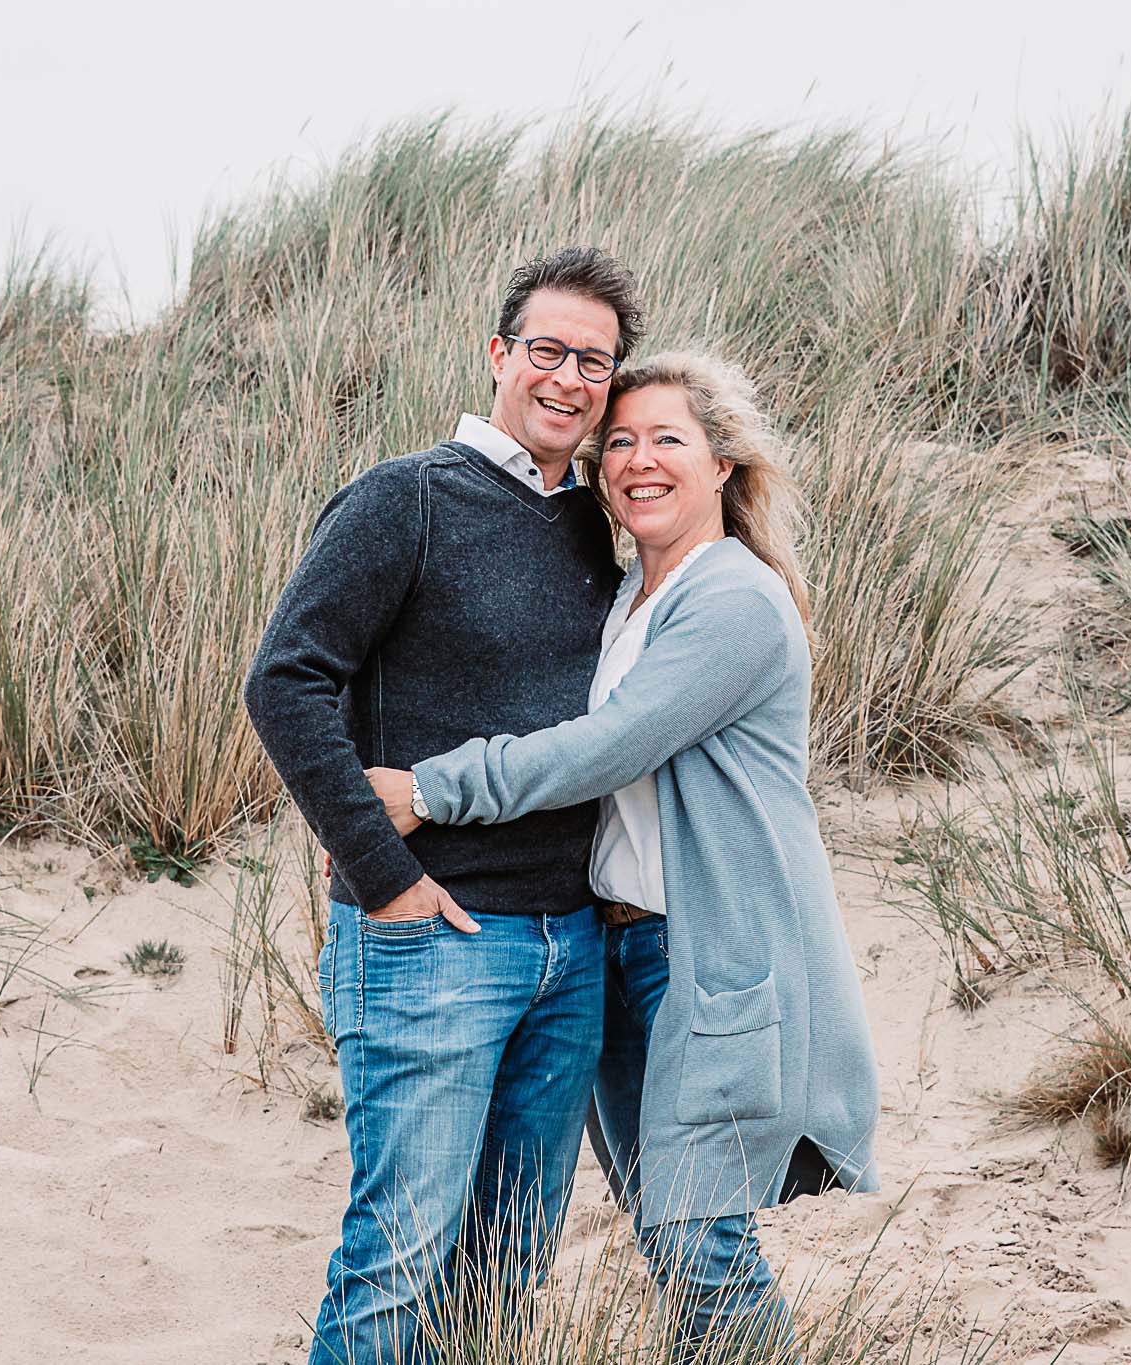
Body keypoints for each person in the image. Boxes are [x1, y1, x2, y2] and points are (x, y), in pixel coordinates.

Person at [372, 352, 882, 1361]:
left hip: (705, 957)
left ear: (725, 465)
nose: (636, 461)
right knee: (669, 1224)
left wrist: (432, 788)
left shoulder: (730, 600)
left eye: (667, 440)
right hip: (613, 956)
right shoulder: (628, 600)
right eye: (620, 442)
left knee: (698, 1235)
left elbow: (606, 747)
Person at [242, 247, 642, 1365]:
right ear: (499, 354)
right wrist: (386, 877)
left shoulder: (593, 524)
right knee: (398, 1261)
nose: (568, 379)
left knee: (506, 1271)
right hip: (434, 943)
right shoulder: (406, 498)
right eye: (548, 352)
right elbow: (285, 679)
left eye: (595, 364)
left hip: (569, 951)